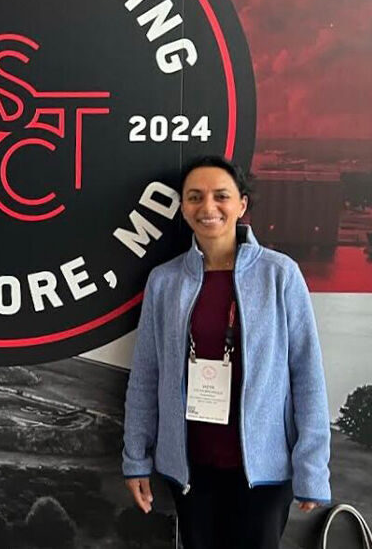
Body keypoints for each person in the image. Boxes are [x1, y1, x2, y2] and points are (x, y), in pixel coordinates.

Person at [122, 155, 331, 549]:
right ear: (183, 208)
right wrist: (135, 458)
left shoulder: (279, 275)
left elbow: (307, 377)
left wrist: (312, 470)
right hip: (190, 470)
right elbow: (146, 376)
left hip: (264, 473)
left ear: (242, 204)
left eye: (221, 196)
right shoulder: (164, 282)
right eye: (195, 197)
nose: (208, 207)